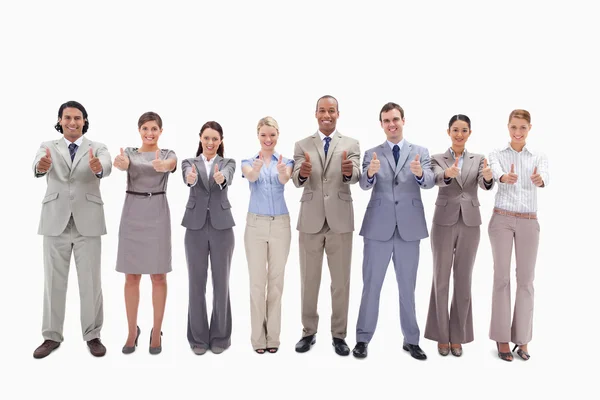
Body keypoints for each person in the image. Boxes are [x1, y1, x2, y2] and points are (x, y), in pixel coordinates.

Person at [352, 102, 434, 360]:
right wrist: (370, 172)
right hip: (378, 227)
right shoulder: (372, 152)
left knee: (407, 287)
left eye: (395, 119)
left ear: (403, 120)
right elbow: (364, 184)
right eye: (386, 120)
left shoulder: (420, 151)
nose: (392, 124)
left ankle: (411, 340)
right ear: (381, 124)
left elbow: (431, 181)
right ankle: (362, 339)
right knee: (371, 286)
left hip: (409, 228)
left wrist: (421, 174)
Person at [32, 100, 112, 358]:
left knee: (91, 282)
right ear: (60, 120)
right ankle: (51, 336)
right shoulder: (48, 147)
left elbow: (106, 164)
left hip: (88, 222)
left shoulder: (97, 147)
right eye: (67, 118)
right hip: (55, 220)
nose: (73, 122)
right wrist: (40, 167)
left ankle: (93, 335)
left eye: (78, 118)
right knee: (53, 282)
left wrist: (100, 169)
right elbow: (37, 165)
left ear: (85, 121)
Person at [291, 95, 361, 356]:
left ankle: (339, 334)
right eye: (322, 110)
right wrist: (303, 173)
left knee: (340, 281)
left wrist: (347, 171)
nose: (327, 115)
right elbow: (297, 178)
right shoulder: (302, 144)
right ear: (316, 113)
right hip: (310, 219)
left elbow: (355, 173)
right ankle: (308, 332)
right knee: (309, 280)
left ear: (338, 114)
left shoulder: (351, 143)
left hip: (340, 220)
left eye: (331, 111)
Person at [424, 114, 494, 357]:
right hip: (443, 221)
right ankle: (442, 336)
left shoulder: (479, 159)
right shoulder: (436, 158)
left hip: (470, 223)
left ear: (470, 133)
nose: (459, 134)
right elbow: (434, 179)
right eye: (455, 129)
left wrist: (487, 178)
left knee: (463, 280)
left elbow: (485, 184)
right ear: (448, 132)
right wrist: (448, 174)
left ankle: (459, 336)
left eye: (464, 130)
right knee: (440, 279)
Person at [113, 112, 177, 355]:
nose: (150, 133)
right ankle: (131, 331)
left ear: (161, 131)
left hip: (158, 214)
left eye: (154, 129)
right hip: (132, 213)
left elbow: (170, 165)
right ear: (139, 130)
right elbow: (123, 163)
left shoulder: (168, 154)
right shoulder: (129, 152)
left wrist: (163, 165)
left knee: (158, 275)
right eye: (145, 129)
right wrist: (123, 164)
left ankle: (156, 330)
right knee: (131, 277)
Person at [488, 109, 549, 362]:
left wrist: (538, 179)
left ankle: (522, 340)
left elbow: (545, 176)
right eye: (514, 127)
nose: (517, 132)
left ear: (529, 128)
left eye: (522, 127)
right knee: (502, 278)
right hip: (502, 219)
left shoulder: (538, 156)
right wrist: (505, 176)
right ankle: (502, 338)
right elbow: (495, 172)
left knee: (526, 281)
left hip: (528, 221)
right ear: (508, 127)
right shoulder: (497, 154)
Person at [181, 121, 236, 355]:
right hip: (194, 227)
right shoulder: (189, 163)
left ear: (221, 140)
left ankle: (221, 336)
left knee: (221, 283)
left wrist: (221, 177)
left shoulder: (228, 163)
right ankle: (198, 337)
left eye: (215, 138)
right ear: (200, 139)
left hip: (222, 227)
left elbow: (228, 176)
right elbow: (187, 177)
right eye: (206, 138)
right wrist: (191, 179)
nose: (210, 142)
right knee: (196, 283)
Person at [241, 117, 294, 354]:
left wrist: (283, 172)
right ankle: (257, 339)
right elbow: (251, 177)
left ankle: (273, 337)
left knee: (276, 283)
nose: (268, 139)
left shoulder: (286, 161)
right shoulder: (248, 162)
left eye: (272, 134)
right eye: (264, 134)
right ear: (258, 135)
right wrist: (257, 169)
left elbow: (285, 179)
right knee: (256, 283)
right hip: (255, 226)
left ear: (278, 135)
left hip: (281, 225)